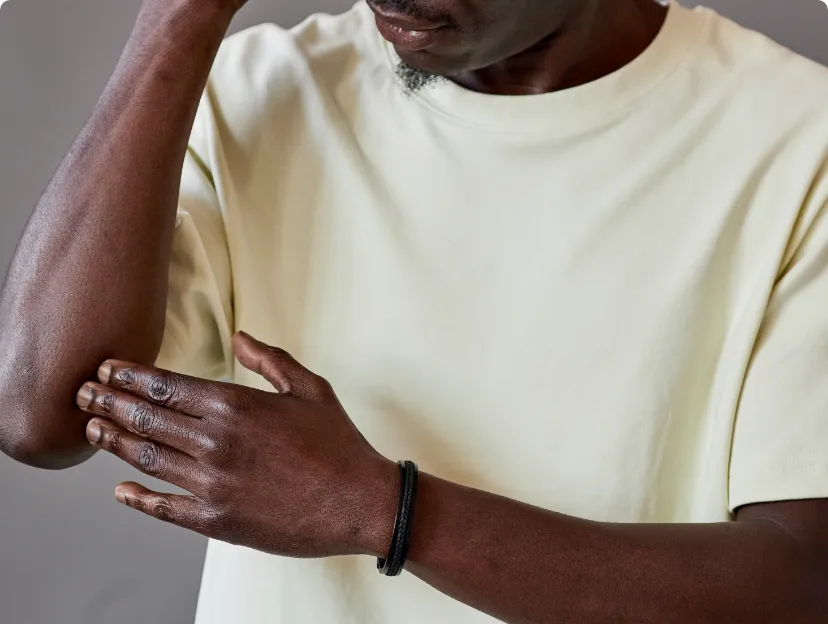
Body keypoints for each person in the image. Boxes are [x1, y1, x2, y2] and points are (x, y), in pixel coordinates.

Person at [2, 0, 828, 620]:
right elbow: (39, 411)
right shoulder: (264, 91)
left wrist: (380, 511)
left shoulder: (797, 141)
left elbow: (799, 580)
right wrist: (179, 21)